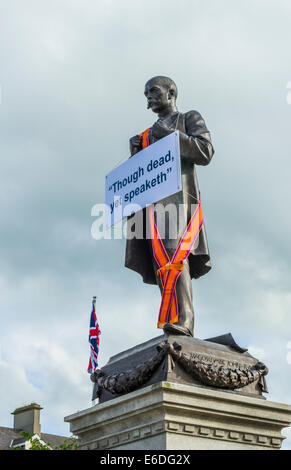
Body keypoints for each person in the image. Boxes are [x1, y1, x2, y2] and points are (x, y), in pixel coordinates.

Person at [125, 76, 214, 337]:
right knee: (160, 262)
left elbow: (205, 151)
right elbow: (142, 176)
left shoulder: (188, 118)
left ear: (171, 92)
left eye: (153, 91)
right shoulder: (146, 134)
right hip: (152, 210)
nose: (149, 97)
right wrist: (136, 155)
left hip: (179, 203)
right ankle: (172, 318)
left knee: (175, 256)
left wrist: (172, 136)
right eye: (145, 94)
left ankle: (185, 320)